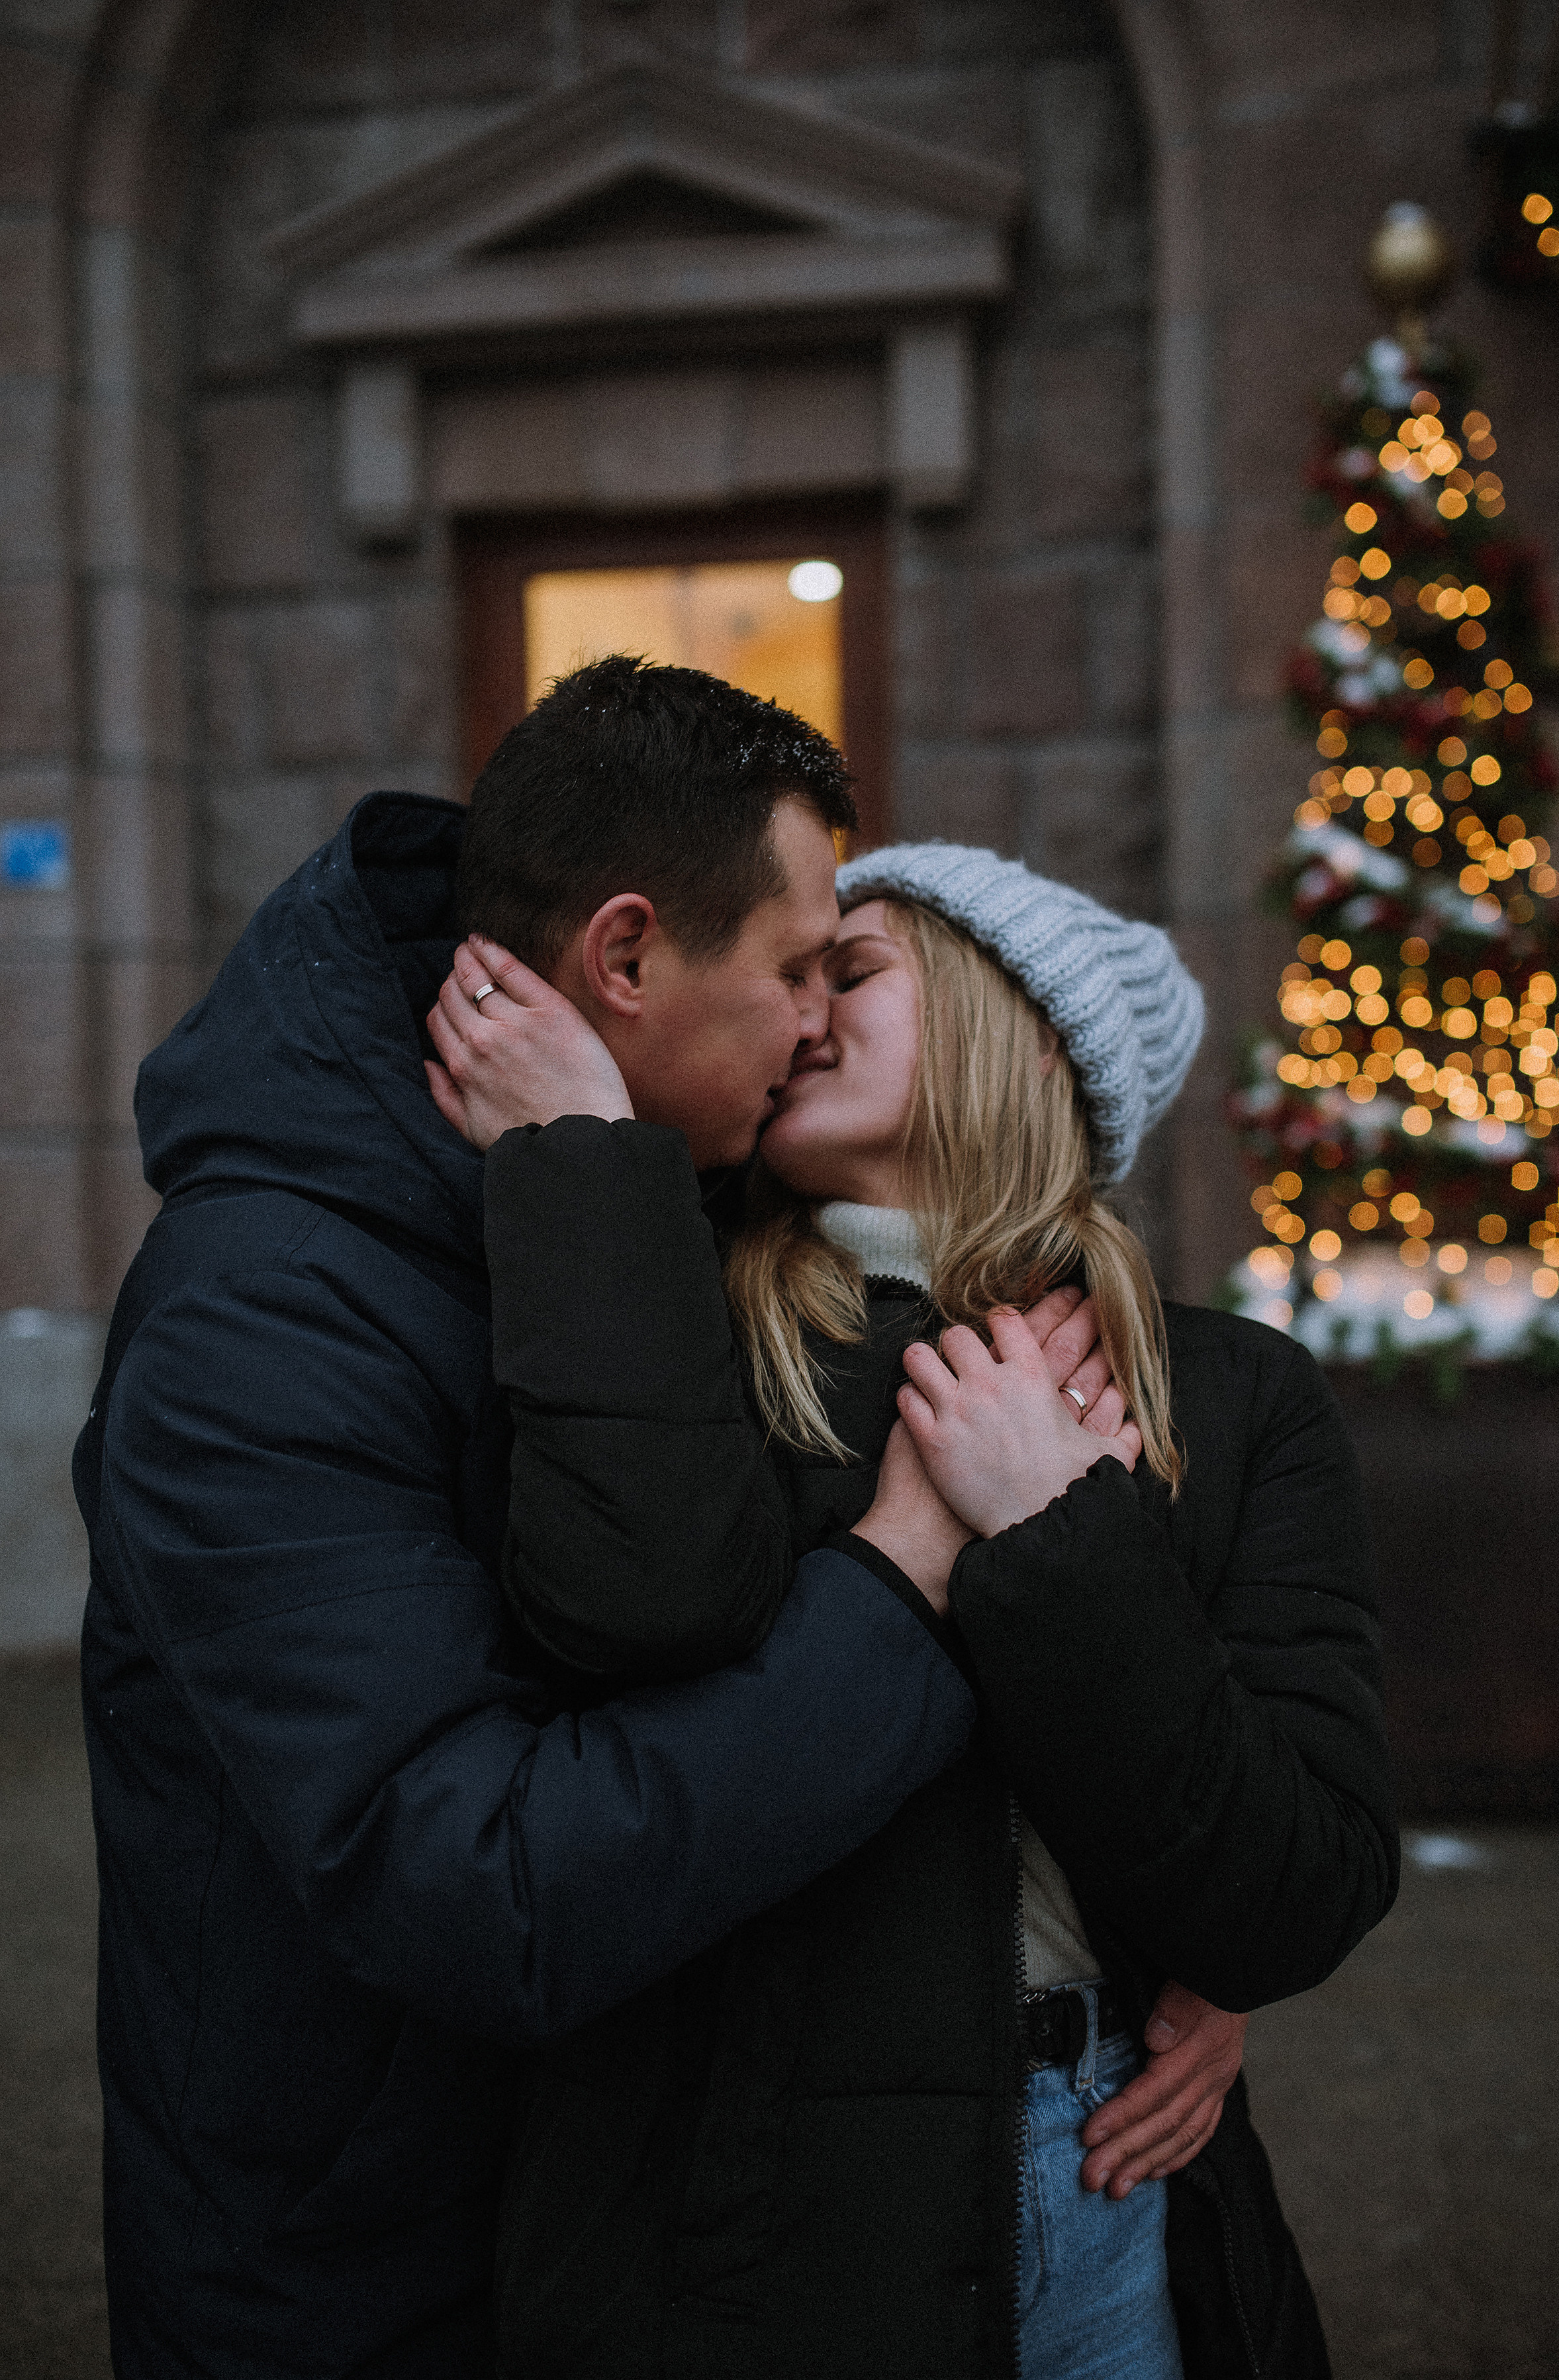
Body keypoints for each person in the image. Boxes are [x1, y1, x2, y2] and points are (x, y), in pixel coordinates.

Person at [72, 662, 998, 2376]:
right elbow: (483, 1885)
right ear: (627, 957)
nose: (821, 1020)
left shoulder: (681, 1199)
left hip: (612, 2231)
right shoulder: (260, 1319)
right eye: (796, 967)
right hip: (356, 2280)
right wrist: (905, 1584)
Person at [428, 841, 1399, 2379]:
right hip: (746, 2218)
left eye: (851, 971)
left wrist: (1058, 1527)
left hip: (1119, 2188)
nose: (797, 1009)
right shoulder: (671, 1342)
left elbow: (1300, 1888)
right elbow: (623, 1687)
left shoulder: (1233, 1395)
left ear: (1017, 1029)